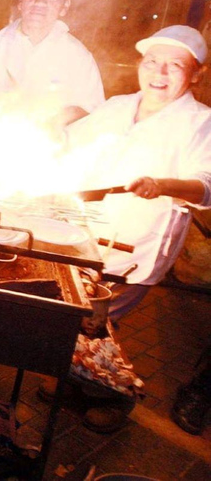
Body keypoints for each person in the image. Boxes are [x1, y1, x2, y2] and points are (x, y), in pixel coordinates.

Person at [60, 25, 211, 432]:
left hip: (137, 249)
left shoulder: (200, 122)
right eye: (152, 61)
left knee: (94, 322)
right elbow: (71, 140)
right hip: (88, 236)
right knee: (81, 319)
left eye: (174, 65)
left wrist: (162, 184)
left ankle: (115, 396)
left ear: (196, 73)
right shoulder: (119, 105)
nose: (159, 72)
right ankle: (77, 385)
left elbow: (206, 186)